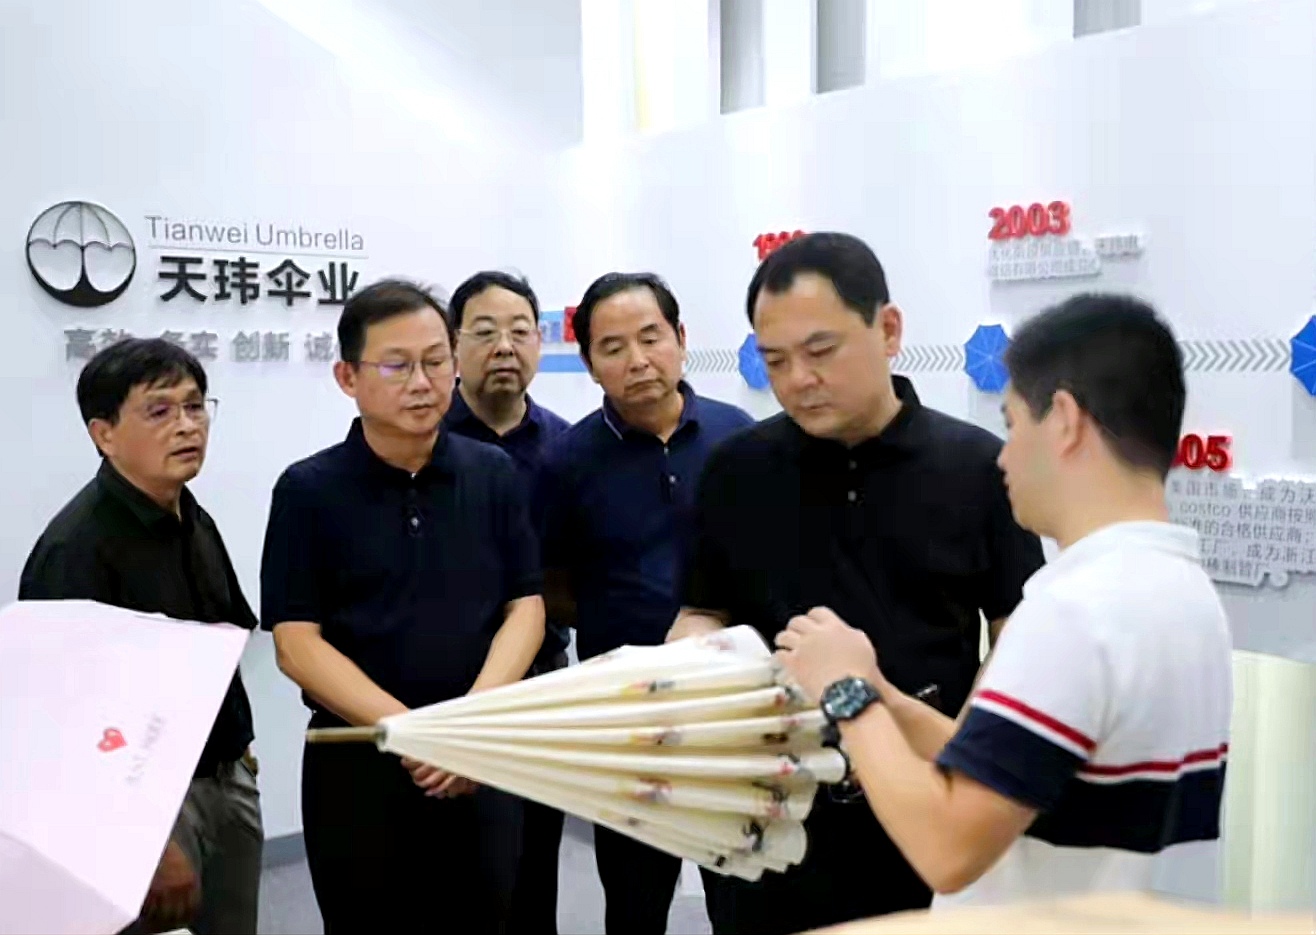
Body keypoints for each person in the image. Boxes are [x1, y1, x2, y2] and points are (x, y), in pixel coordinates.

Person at [774, 293, 1232, 910]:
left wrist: (847, 695)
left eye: (1013, 425)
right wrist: (882, 695)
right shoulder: (1178, 588)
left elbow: (947, 848)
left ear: (1064, 420)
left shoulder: (1074, 611)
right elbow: (1007, 772)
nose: (1004, 455)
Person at [668, 233, 1045, 934]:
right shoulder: (736, 470)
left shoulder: (977, 468)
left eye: (821, 351)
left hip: (918, 806)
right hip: (769, 812)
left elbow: (1015, 631)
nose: (798, 379)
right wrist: (685, 664)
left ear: (889, 330)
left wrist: (970, 752)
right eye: (775, 360)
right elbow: (702, 608)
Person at [260, 279, 546, 933]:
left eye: (435, 360)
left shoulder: (492, 472)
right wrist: (415, 735)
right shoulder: (308, 491)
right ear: (347, 377)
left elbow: (525, 607)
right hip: (360, 766)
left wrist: (467, 728)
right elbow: (296, 643)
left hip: (481, 757)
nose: (422, 382)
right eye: (396, 366)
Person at [20, 338, 262, 935]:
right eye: (160, 410)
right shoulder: (74, 550)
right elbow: (64, 727)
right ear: (103, 433)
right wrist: (144, 842)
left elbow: (219, 640)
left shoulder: (192, 515)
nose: (187, 425)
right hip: (147, 813)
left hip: (225, 780)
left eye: (195, 406)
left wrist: (238, 751)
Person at [539, 272, 755, 934]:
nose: (637, 360)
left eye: (651, 337)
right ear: (589, 362)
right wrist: (620, 626)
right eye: (613, 347)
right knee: (635, 900)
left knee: (743, 895)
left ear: (681, 339)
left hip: (732, 710)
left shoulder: (738, 438)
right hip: (627, 717)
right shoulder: (566, 461)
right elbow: (552, 584)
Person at [444, 270, 571, 934]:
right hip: (443, 685)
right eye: (485, 332)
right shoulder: (422, 438)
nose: (504, 347)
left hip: (539, 686)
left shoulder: (567, 446)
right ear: (453, 344)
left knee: (532, 871)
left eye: (521, 331)